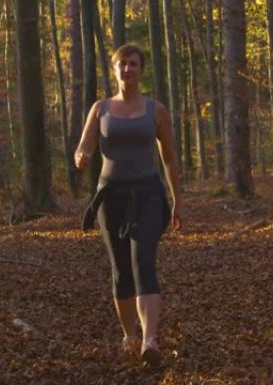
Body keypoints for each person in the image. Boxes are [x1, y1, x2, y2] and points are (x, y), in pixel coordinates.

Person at [75, 43, 182, 367]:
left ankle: (150, 339)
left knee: (144, 263)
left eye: (133, 64)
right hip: (111, 196)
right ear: (115, 70)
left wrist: (177, 201)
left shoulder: (156, 110)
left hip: (148, 193)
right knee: (121, 270)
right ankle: (129, 335)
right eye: (122, 64)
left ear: (141, 69)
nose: (127, 69)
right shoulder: (101, 109)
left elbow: (169, 157)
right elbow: (84, 146)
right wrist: (82, 156)